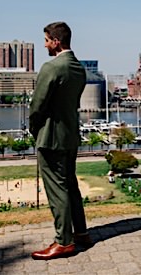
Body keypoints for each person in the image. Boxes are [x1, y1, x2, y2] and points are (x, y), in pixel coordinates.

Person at [29, 22, 90, 260]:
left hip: (51, 136)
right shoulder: (78, 68)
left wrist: (35, 129)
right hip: (70, 135)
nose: (44, 44)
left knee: (57, 188)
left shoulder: (52, 67)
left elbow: (37, 106)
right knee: (70, 183)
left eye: (46, 40)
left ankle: (63, 241)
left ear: (55, 41)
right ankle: (81, 232)